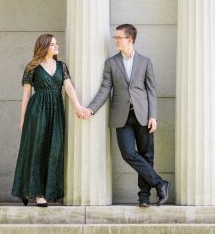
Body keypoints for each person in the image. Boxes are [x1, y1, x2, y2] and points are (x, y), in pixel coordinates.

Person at [82, 24, 170, 207]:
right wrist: (91, 109)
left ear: (129, 39)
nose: (115, 40)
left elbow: (152, 90)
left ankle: (144, 196)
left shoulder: (145, 62)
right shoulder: (111, 63)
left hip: (143, 115)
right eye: (115, 37)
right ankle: (160, 183)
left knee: (147, 155)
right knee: (128, 153)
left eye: (118, 37)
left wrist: (153, 116)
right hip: (121, 116)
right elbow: (105, 89)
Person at [11, 33, 88, 207]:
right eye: (53, 44)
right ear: (44, 47)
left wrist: (77, 105)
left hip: (56, 111)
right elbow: (26, 95)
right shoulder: (32, 67)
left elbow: (68, 86)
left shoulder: (62, 66)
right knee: (36, 151)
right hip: (37, 111)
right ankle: (38, 193)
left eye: (56, 44)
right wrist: (22, 119)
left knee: (54, 150)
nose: (56, 46)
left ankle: (42, 190)